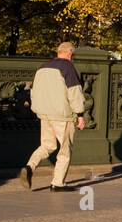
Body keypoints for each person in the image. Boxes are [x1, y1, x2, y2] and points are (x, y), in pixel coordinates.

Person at [19, 42, 87, 191]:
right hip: (63, 116)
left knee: (47, 146)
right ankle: (58, 183)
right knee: (64, 151)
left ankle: (30, 167)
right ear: (70, 54)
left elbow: (33, 91)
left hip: (45, 115)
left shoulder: (43, 67)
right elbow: (74, 93)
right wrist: (80, 114)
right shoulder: (68, 67)